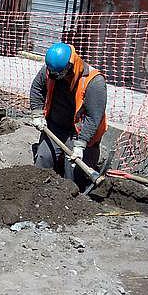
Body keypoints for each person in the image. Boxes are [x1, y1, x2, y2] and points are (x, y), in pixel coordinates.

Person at [30, 42, 108, 189]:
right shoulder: (51, 71)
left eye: (58, 74)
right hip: (56, 127)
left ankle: (71, 198)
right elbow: (37, 88)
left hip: (79, 133)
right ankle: (38, 193)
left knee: (72, 169)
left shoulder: (94, 82)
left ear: (69, 67)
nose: (53, 76)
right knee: (43, 158)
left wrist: (81, 144)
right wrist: (37, 113)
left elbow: (93, 118)